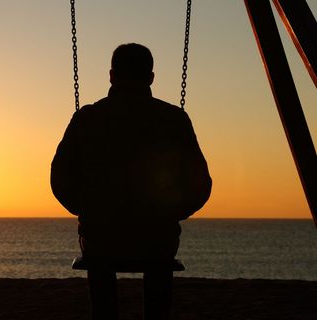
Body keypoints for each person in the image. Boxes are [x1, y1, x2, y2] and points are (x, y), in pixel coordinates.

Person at [51, 43, 212, 319]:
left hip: (100, 237)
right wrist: (173, 212)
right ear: (150, 78)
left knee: (99, 251)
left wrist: (86, 208)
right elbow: (200, 185)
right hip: (157, 239)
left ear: (112, 76)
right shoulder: (174, 119)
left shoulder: (87, 118)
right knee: (159, 254)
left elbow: (59, 178)